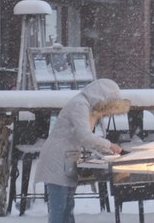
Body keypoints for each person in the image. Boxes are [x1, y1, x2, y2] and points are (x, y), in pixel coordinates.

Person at [36, 79, 130, 223]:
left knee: (67, 208)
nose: (104, 114)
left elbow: (82, 137)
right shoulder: (79, 105)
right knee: (59, 210)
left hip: (67, 159)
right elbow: (84, 136)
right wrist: (109, 145)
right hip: (57, 160)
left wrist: (103, 149)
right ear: (101, 99)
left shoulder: (86, 105)